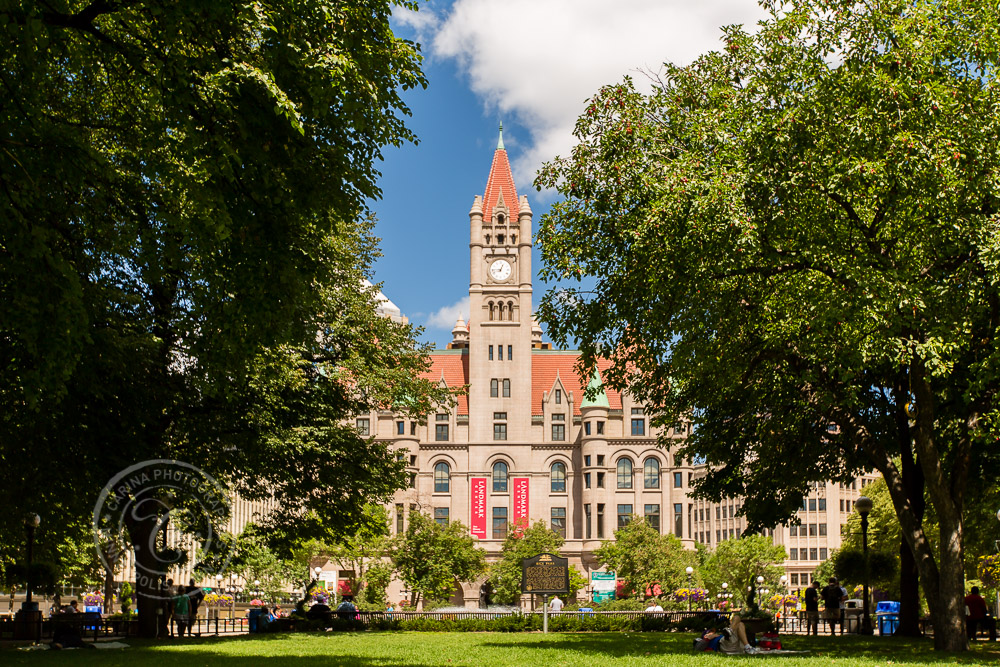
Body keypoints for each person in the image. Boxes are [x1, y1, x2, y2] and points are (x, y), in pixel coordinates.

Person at [693, 613, 759, 654]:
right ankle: (747, 646)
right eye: (710, 632)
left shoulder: (719, 635)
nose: (712, 632)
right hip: (725, 644)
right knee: (736, 618)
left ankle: (747, 647)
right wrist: (707, 638)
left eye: (712, 631)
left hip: (736, 645)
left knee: (740, 624)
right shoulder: (706, 638)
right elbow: (698, 648)